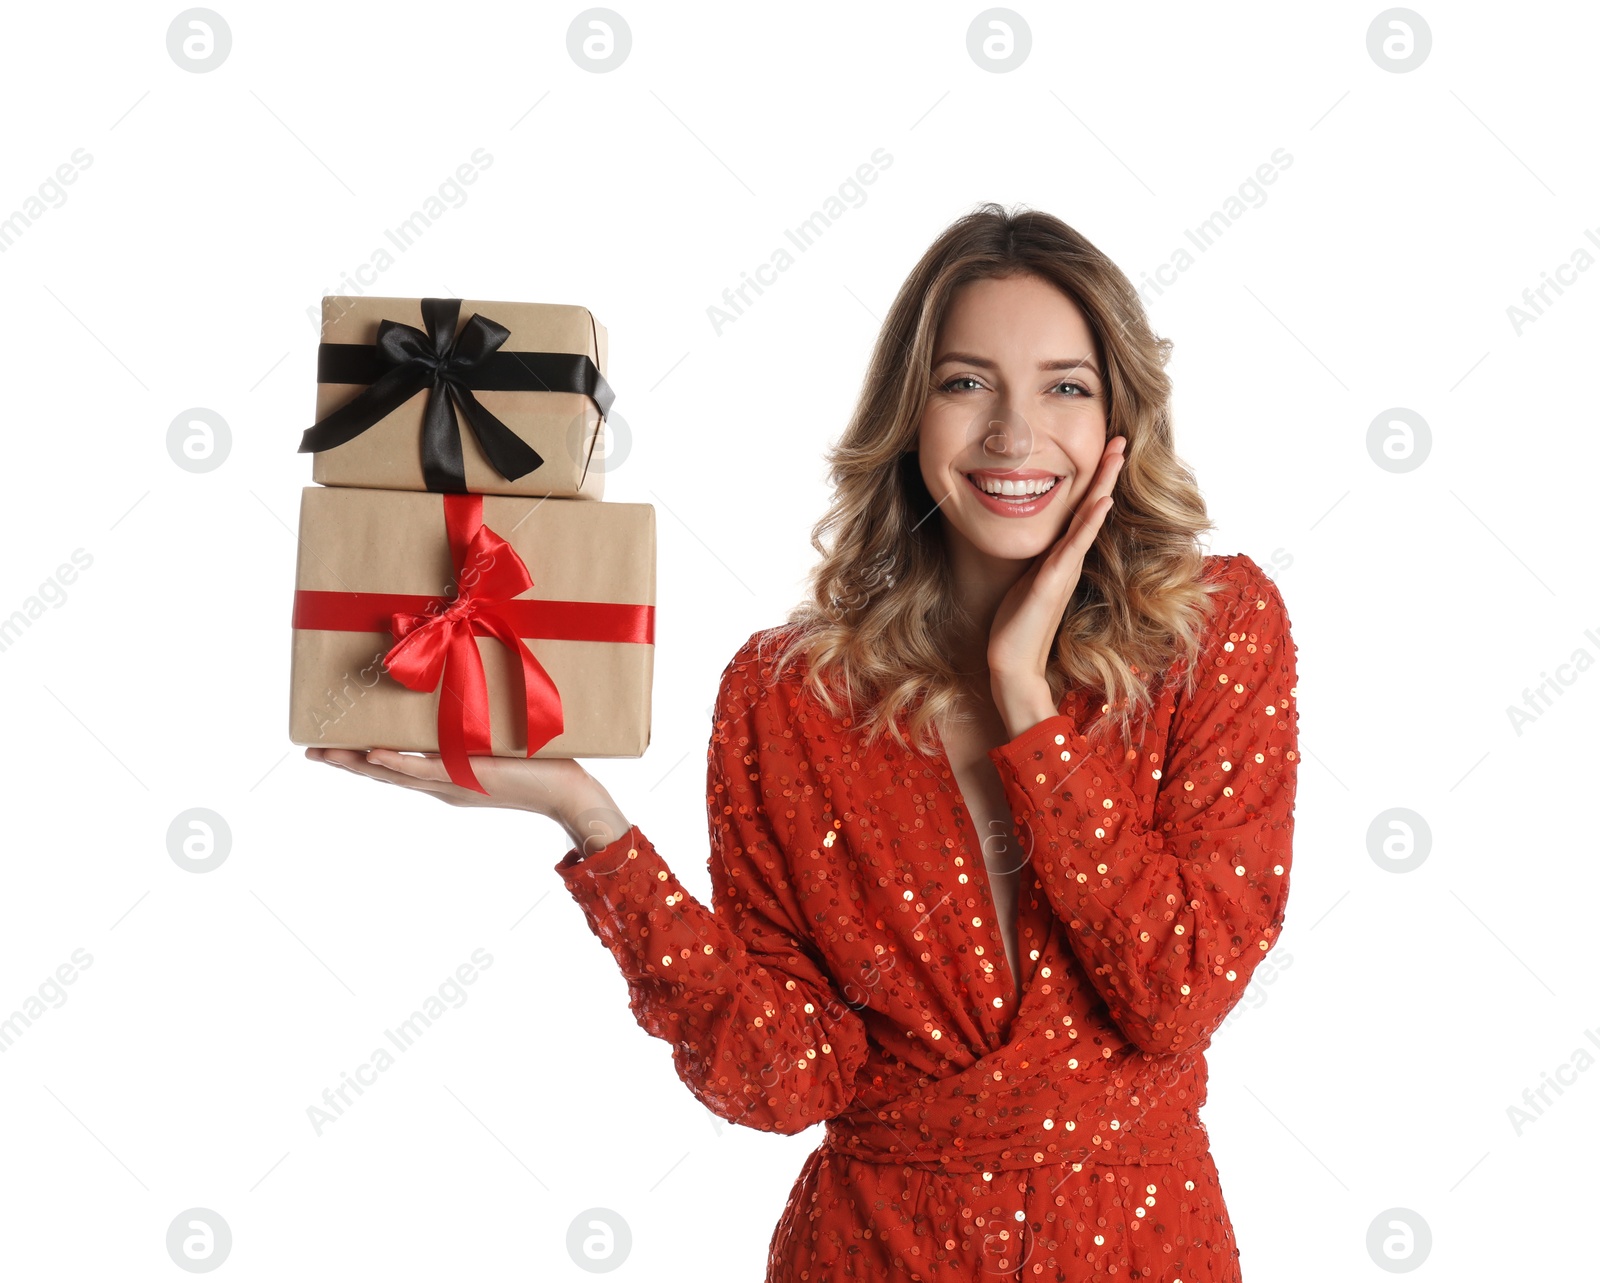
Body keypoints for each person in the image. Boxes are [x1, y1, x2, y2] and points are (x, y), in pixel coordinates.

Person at [307, 202, 1301, 1282]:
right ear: (908, 414)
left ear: (1121, 421)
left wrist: (1024, 694)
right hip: (873, 1248)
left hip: (1143, 1249)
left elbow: (1174, 991)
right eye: (966, 382)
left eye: (1065, 385)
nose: (1015, 434)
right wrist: (584, 817)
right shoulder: (790, 696)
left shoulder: (1215, 632)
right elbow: (782, 1076)